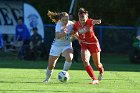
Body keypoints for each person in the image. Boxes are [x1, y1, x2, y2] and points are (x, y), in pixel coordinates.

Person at [72, 8, 104, 84]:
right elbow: (73, 33)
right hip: (84, 44)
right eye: (81, 19)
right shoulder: (76, 24)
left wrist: (97, 21)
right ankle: (94, 79)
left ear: (87, 18)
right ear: (78, 18)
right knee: (85, 61)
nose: (82, 21)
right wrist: (78, 38)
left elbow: (93, 21)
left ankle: (101, 71)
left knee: (97, 64)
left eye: (84, 19)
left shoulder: (89, 21)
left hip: (93, 44)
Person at [43, 11, 74, 82]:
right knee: (51, 65)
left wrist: (74, 34)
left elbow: (75, 35)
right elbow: (57, 36)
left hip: (67, 45)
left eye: (67, 19)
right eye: (63, 20)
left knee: (69, 57)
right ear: (60, 20)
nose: (65, 21)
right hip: (56, 46)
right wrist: (63, 33)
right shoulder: (58, 25)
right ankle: (47, 79)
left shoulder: (71, 24)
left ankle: (64, 74)